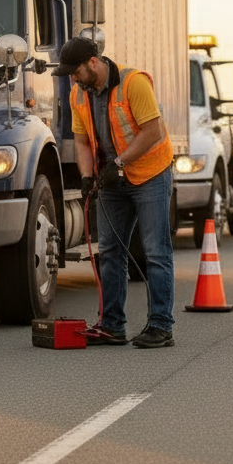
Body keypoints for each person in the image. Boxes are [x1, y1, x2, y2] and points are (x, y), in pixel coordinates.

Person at [55, 36, 176, 349]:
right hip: (111, 180)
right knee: (109, 251)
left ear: (93, 62)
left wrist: (120, 162)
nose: (72, 78)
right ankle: (112, 326)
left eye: (76, 70)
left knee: (155, 252)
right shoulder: (77, 95)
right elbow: (81, 141)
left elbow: (154, 131)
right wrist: (85, 177)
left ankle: (161, 326)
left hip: (150, 174)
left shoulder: (133, 83)